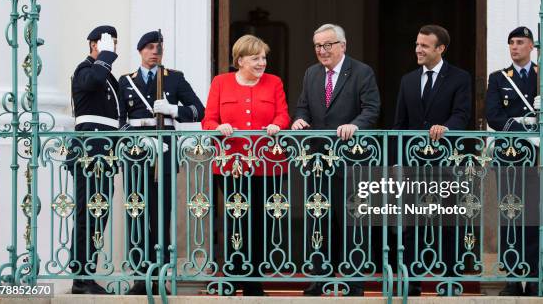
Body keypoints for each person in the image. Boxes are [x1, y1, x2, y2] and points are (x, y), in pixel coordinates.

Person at [485, 26, 543, 296]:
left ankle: (536, 278)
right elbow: (494, 117)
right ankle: (513, 277)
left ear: (532, 47)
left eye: (520, 42)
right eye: (511, 42)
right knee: (510, 215)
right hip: (510, 156)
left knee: (538, 217)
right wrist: (527, 129)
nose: (515, 47)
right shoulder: (499, 78)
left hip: (540, 157)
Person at [292, 24, 380, 297]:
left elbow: (371, 109)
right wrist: (299, 119)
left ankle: (354, 281)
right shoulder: (311, 73)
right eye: (318, 46)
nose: (322, 51)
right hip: (318, 160)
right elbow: (303, 105)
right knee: (319, 220)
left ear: (343, 45)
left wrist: (355, 126)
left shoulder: (362, 72)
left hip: (351, 160)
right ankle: (320, 278)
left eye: (328, 45)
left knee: (352, 220)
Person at [202, 34, 290, 296]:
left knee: (260, 222)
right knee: (236, 219)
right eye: (256, 58)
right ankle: (232, 275)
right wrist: (219, 127)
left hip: (267, 164)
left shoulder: (274, 82)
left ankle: (253, 282)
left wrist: (278, 124)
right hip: (231, 165)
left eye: (264, 58)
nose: (262, 63)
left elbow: (283, 114)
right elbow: (208, 120)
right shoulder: (221, 82)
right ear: (240, 60)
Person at [118, 30, 205, 295]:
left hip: (165, 152)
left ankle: (161, 275)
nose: (156, 52)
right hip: (135, 153)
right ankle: (139, 276)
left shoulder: (174, 78)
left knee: (161, 214)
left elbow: (199, 110)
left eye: (159, 47)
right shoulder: (126, 81)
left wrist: (173, 110)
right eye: (150, 47)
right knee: (136, 213)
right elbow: (120, 116)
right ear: (141, 51)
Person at [393, 24, 472, 296]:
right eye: (417, 44)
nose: (418, 49)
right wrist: (396, 162)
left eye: (425, 45)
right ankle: (411, 281)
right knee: (411, 226)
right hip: (413, 165)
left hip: (447, 164)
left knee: (448, 224)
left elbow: (462, 114)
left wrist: (447, 128)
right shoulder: (407, 80)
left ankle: (450, 281)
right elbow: (400, 124)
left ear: (440, 49)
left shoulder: (460, 78)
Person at [68, 25, 120, 294]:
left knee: (99, 216)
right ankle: (80, 277)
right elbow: (93, 82)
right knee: (87, 216)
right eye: (107, 42)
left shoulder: (110, 77)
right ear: (93, 45)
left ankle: (87, 273)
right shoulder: (85, 70)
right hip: (89, 153)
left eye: (114, 44)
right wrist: (106, 56)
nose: (113, 48)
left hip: (106, 154)